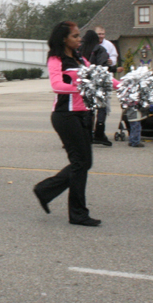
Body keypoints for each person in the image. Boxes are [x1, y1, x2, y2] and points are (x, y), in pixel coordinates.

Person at [33, 21, 117, 227]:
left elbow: (100, 77)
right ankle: (77, 213)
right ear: (64, 39)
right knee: (80, 163)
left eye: (79, 36)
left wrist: (124, 85)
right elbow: (57, 85)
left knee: (84, 163)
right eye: (75, 37)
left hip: (83, 115)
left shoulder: (80, 58)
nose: (80, 40)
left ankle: (45, 190)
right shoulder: (56, 59)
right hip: (65, 116)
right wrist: (82, 87)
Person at [80, 30, 112, 146]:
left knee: (87, 109)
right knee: (101, 107)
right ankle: (99, 133)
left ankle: (86, 134)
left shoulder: (79, 50)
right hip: (98, 83)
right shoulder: (99, 49)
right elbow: (103, 66)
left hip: (83, 83)